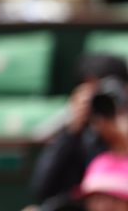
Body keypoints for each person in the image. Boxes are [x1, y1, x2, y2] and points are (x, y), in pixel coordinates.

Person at [30, 54, 128, 210]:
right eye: (94, 93)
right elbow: (42, 188)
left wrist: (123, 144)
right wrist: (72, 130)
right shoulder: (78, 135)